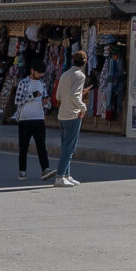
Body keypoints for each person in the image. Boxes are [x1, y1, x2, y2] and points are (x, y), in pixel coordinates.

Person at [49, 49, 88, 186]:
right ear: (85, 62)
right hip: (73, 114)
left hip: (62, 114)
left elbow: (58, 96)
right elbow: (74, 95)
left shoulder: (65, 74)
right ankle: (60, 176)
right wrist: (83, 107)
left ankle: (67, 174)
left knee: (66, 146)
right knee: (69, 148)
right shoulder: (80, 75)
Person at [13, 59, 51, 180]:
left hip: (39, 118)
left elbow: (46, 103)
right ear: (32, 71)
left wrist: (46, 102)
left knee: (41, 145)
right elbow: (17, 102)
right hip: (25, 119)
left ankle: (45, 169)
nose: (40, 75)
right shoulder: (23, 83)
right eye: (38, 73)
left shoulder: (43, 84)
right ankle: (22, 171)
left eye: (42, 73)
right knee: (23, 147)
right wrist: (31, 96)